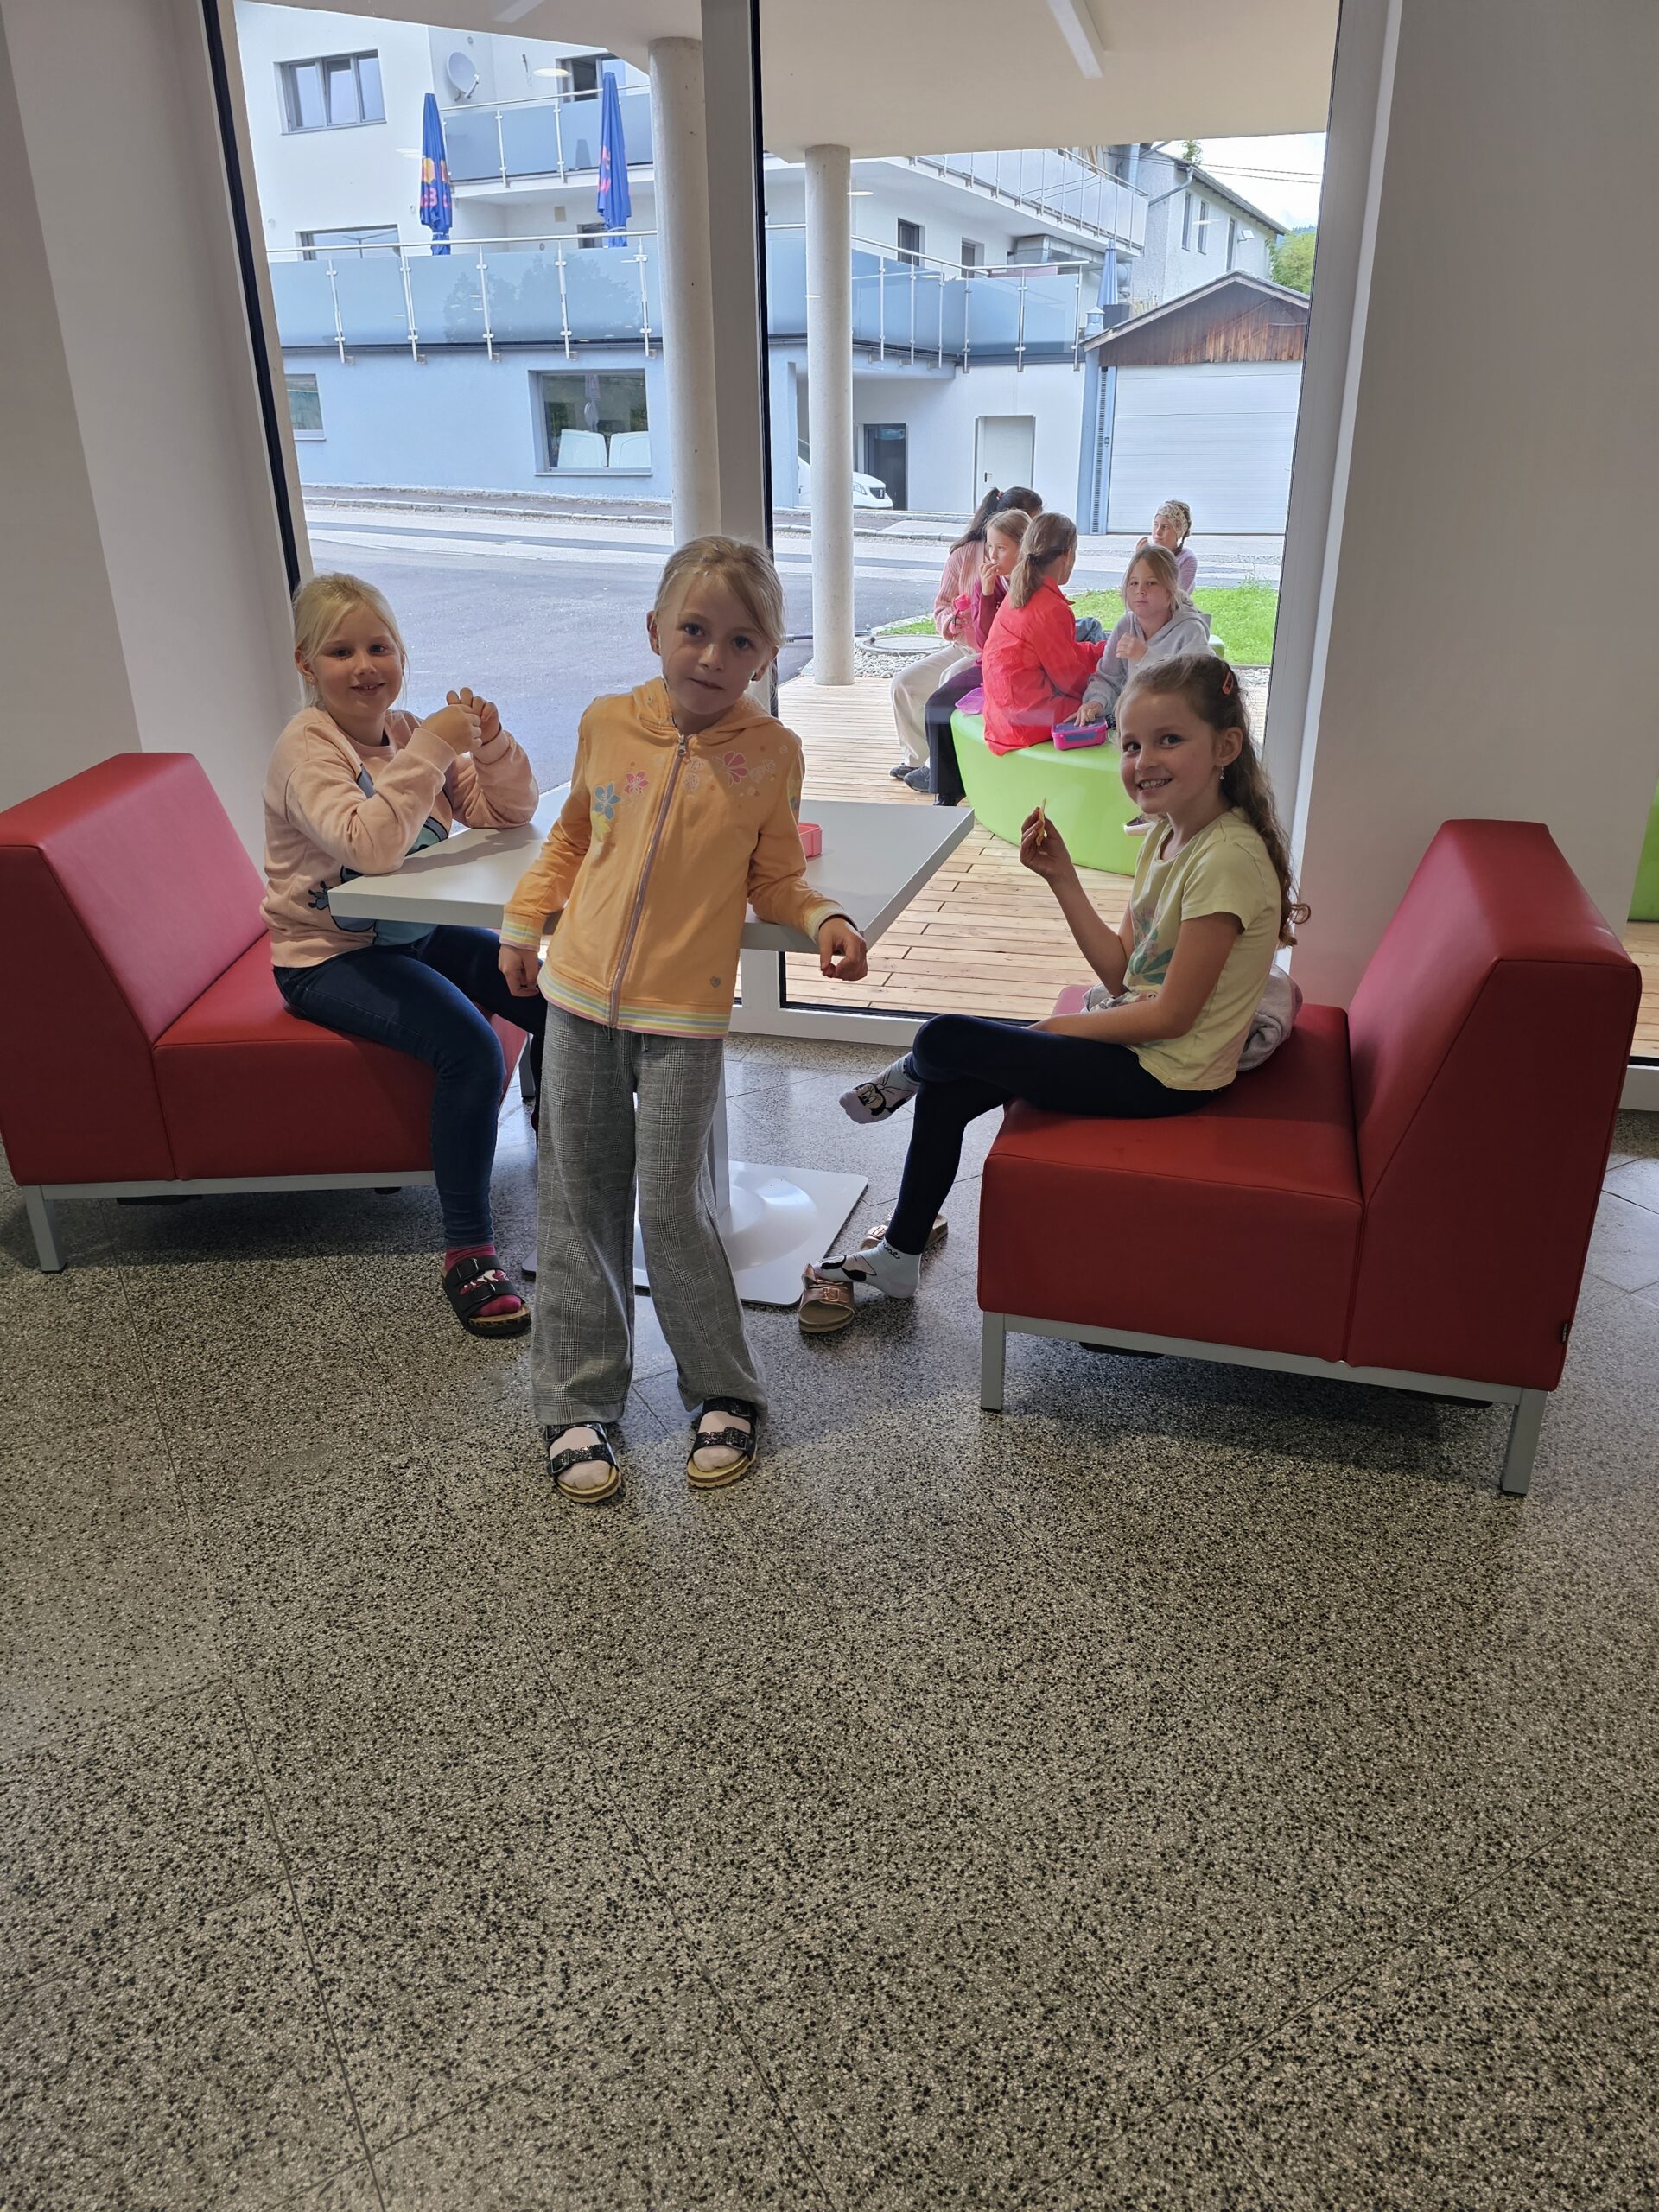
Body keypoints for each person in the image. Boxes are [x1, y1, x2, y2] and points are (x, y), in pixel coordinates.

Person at [498, 537, 869, 1503]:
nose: (712, 655)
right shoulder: (606, 723)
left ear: (767, 656)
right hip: (579, 1000)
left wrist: (824, 918)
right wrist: (525, 921)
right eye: (694, 630)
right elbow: (570, 840)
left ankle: (723, 1386)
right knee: (577, 1201)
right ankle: (577, 1398)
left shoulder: (771, 754)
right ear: (655, 629)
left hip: (685, 1018)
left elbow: (776, 877)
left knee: (671, 1205)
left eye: (741, 641)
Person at [826, 654, 1305, 1305]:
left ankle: (909, 1073)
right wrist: (1063, 879)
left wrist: (1057, 1028)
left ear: (1225, 747)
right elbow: (1122, 973)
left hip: (1169, 1076)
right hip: (1142, 1049)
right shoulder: (1166, 838)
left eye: (1169, 739)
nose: (1144, 761)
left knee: (943, 1040)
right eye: (1131, 745)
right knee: (949, 1084)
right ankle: (899, 1255)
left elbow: (1172, 1017)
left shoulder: (1226, 860)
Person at [263, 572, 545, 1339]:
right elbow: (370, 846)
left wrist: (489, 745)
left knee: (551, 999)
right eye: (340, 651)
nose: (365, 666)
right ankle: (467, 1250)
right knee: (470, 1049)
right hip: (327, 957)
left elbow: (507, 811)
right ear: (305, 664)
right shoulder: (307, 751)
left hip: (413, 931)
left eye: (379, 647)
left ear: (401, 654)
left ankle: (574, 1163)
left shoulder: (405, 731)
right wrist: (433, 747)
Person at [890, 486, 1042, 777]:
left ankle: (943, 768)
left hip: (995, 656)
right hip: (964, 647)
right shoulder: (965, 556)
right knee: (903, 684)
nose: (993, 554)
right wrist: (951, 621)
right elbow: (943, 606)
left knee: (951, 679)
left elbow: (1003, 634)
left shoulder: (1029, 570)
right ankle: (917, 760)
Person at [978, 512, 1108, 754]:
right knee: (1109, 703)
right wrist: (1109, 675)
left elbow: (1065, 655)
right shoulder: (1050, 607)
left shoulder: (1021, 589)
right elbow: (1071, 680)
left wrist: (1104, 651)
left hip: (1002, 715)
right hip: (1024, 722)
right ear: (1068, 554)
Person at [1072, 543, 1213, 735]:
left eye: (1151, 583)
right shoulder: (1125, 626)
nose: (1140, 590)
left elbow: (1200, 688)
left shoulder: (1190, 630)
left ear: (1170, 591)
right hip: (1137, 728)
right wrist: (1096, 702)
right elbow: (1107, 678)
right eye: (1134, 583)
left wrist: (1145, 657)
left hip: (1179, 732)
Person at [1135, 499, 1198, 594]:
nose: (1158, 532)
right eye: (1156, 525)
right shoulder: (1147, 554)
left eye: (1165, 527)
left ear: (1179, 532)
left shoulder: (1187, 559)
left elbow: (1174, 597)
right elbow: (1127, 590)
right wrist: (1138, 560)